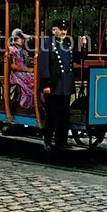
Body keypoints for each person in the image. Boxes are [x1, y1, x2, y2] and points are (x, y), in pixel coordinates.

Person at [37, 19, 76, 150]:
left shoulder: (67, 43)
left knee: (64, 115)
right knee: (52, 114)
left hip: (65, 85)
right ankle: (47, 140)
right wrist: (45, 85)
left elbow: (75, 58)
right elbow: (43, 66)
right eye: (61, 29)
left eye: (65, 29)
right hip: (53, 85)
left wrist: (84, 44)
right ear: (54, 30)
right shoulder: (47, 43)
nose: (64, 31)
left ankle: (62, 141)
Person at [9, 28, 35, 109]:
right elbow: (12, 66)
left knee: (37, 77)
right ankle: (25, 103)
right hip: (16, 73)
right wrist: (28, 69)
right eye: (22, 38)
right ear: (16, 39)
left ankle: (35, 103)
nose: (24, 40)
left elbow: (26, 62)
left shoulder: (23, 51)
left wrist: (32, 62)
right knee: (32, 81)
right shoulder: (12, 50)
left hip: (23, 72)